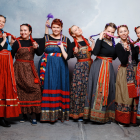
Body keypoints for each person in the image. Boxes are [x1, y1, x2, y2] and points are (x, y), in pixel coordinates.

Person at [38, 18, 71, 122]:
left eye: (58, 27)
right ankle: (48, 115)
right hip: (48, 66)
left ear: (61, 28)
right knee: (49, 86)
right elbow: (39, 51)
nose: (56, 29)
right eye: (54, 27)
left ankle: (60, 114)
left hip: (61, 66)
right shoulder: (46, 38)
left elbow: (69, 56)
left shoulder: (66, 39)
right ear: (51, 27)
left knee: (60, 87)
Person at [11, 23, 45, 125]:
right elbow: (11, 55)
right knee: (21, 91)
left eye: (25, 30)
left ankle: (33, 115)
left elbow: (39, 53)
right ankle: (24, 115)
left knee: (35, 89)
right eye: (21, 30)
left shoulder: (34, 41)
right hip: (19, 69)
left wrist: (37, 47)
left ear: (30, 31)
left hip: (30, 69)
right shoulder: (16, 42)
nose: (23, 32)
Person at [84, 23, 117, 123]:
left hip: (109, 67)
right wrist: (100, 39)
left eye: (112, 32)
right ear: (104, 30)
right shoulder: (101, 40)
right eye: (108, 31)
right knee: (98, 88)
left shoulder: (113, 42)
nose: (110, 33)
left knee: (109, 89)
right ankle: (94, 116)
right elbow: (95, 53)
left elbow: (114, 57)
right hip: (99, 66)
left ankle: (105, 115)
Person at [68, 25, 94, 121]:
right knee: (79, 89)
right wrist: (74, 53)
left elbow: (93, 52)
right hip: (80, 68)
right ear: (73, 34)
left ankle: (87, 113)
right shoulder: (72, 43)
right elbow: (69, 56)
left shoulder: (86, 40)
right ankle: (78, 113)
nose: (78, 29)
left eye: (78, 28)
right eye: (76, 30)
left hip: (89, 66)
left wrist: (93, 42)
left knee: (88, 88)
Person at [115, 25, 139, 125]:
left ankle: (133, 120)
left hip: (134, 70)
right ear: (118, 34)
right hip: (124, 72)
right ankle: (122, 120)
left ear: (128, 32)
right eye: (121, 32)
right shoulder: (118, 46)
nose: (123, 33)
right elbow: (124, 60)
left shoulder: (134, 44)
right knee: (124, 95)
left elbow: (136, 58)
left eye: (125, 31)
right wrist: (128, 50)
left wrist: (130, 48)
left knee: (134, 95)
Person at [0, 15, 21, 127]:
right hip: (0, 64)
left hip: (6, 63)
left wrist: (11, 43)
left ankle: (2, 116)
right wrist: (4, 39)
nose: (1, 23)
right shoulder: (3, 36)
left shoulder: (4, 33)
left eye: (3, 22)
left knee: (4, 87)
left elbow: (8, 51)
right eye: (0, 21)